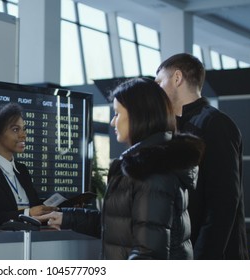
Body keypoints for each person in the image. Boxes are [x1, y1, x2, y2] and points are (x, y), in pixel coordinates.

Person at [37, 78, 205, 259]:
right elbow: (119, 226)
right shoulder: (150, 164)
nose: (112, 122)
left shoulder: (152, 171)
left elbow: (148, 255)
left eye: (117, 114)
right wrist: (65, 217)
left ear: (137, 115)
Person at [155, 53, 249, 259]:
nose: (156, 90)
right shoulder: (174, 128)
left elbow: (223, 202)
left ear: (177, 78)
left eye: (160, 82)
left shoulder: (215, 123)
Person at [0, 102, 57, 224]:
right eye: (15, 130)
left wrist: (52, 210)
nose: (23, 135)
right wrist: (26, 214)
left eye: (24, 129)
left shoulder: (22, 170)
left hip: (29, 239)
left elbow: (34, 207)